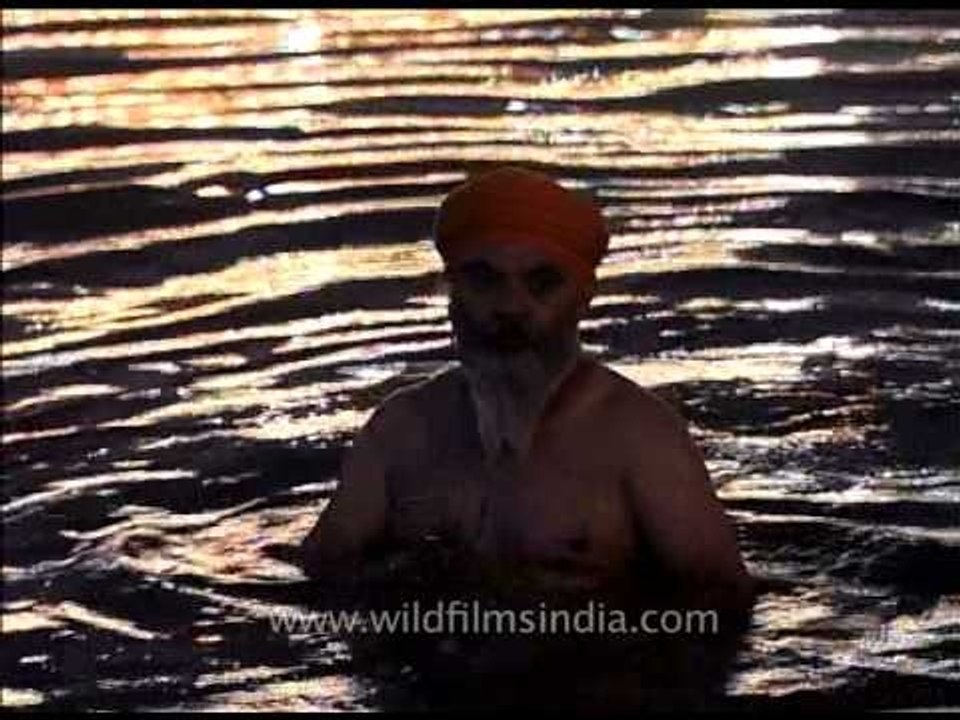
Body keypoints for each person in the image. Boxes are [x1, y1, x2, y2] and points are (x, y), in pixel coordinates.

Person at [300, 166, 755, 616]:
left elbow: (723, 604)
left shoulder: (640, 437)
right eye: (484, 279)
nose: (510, 307)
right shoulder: (400, 430)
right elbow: (321, 572)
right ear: (450, 287)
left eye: (542, 283)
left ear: (584, 296)